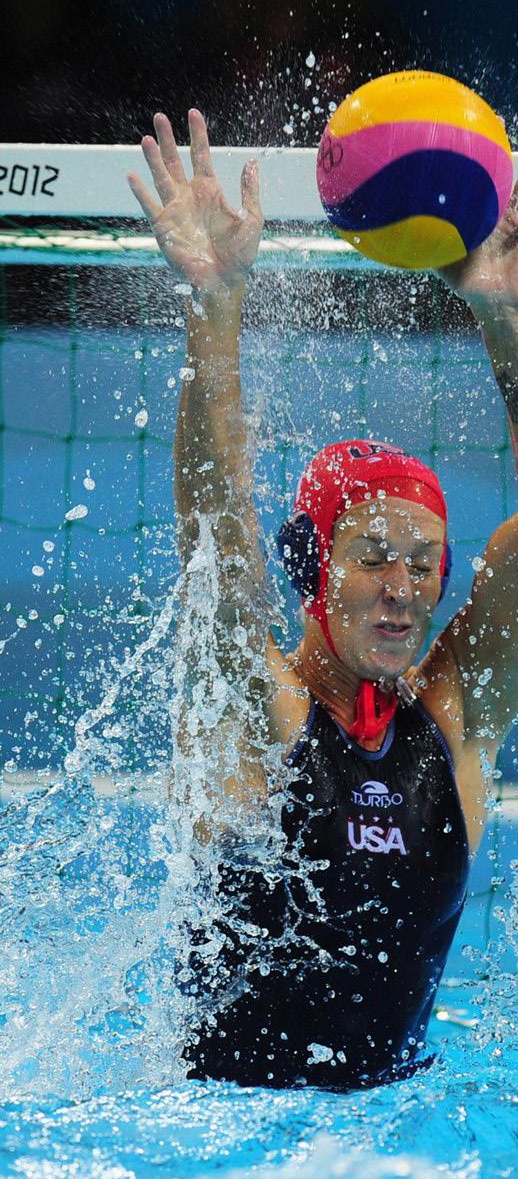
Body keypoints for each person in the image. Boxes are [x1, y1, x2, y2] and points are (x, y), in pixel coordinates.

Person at [128, 109, 518, 1091]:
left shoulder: (450, 722)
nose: (401, 589)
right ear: (313, 569)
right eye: (372, 557)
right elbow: (215, 540)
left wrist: (500, 318)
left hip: (391, 1133)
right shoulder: (258, 711)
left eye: (423, 562)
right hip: (221, 1133)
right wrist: (216, 304)